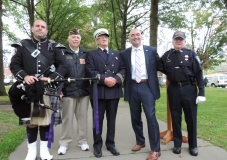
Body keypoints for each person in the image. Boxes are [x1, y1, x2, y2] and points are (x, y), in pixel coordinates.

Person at [10, 19, 68, 160]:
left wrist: (52, 77)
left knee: (45, 122)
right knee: (31, 121)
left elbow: (63, 65)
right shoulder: (23, 45)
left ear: (46, 30)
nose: (40, 29)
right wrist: (25, 76)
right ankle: (31, 152)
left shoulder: (54, 46)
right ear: (32, 28)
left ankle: (44, 151)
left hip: (47, 88)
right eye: (38, 26)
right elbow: (14, 65)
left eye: (43, 27)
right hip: (28, 89)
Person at [160, 31, 206, 156]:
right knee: (175, 118)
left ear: (185, 41)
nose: (178, 41)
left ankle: (193, 146)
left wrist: (201, 92)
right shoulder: (167, 55)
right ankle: (177, 144)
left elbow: (199, 73)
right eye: (176, 39)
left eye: (181, 39)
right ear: (173, 41)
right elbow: (159, 66)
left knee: (191, 118)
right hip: (173, 89)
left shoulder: (191, 54)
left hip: (189, 89)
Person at [120, 28, 162, 160]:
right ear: (129, 38)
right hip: (132, 86)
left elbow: (161, 66)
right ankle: (140, 141)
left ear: (141, 36)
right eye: (132, 35)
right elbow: (122, 69)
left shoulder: (152, 50)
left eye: (137, 34)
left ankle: (156, 149)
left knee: (150, 116)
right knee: (135, 117)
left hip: (147, 86)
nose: (135, 37)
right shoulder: (125, 53)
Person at [85, 28, 125, 158]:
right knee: (98, 120)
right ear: (96, 40)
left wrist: (117, 79)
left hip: (113, 91)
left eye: (106, 37)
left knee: (111, 119)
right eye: (101, 37)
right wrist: (103, 79)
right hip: (98, 91)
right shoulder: (91, 54)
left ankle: (110, 143)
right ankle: (97, 144)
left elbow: (123, 69)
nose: (104, 39)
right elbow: (89, 70)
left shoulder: (117, 54)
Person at [57, 28, 90, 155]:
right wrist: (59, 90)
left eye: (77, 37)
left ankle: (83, 141)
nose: (75, 39)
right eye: (73, 37)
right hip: (67, 91)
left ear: (80, 39)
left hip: (83, 91)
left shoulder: (85, 53)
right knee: (67, 119)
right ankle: (64, 143)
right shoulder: (61, 53)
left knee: (82, 119)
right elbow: (58, 73)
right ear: (68, 39)